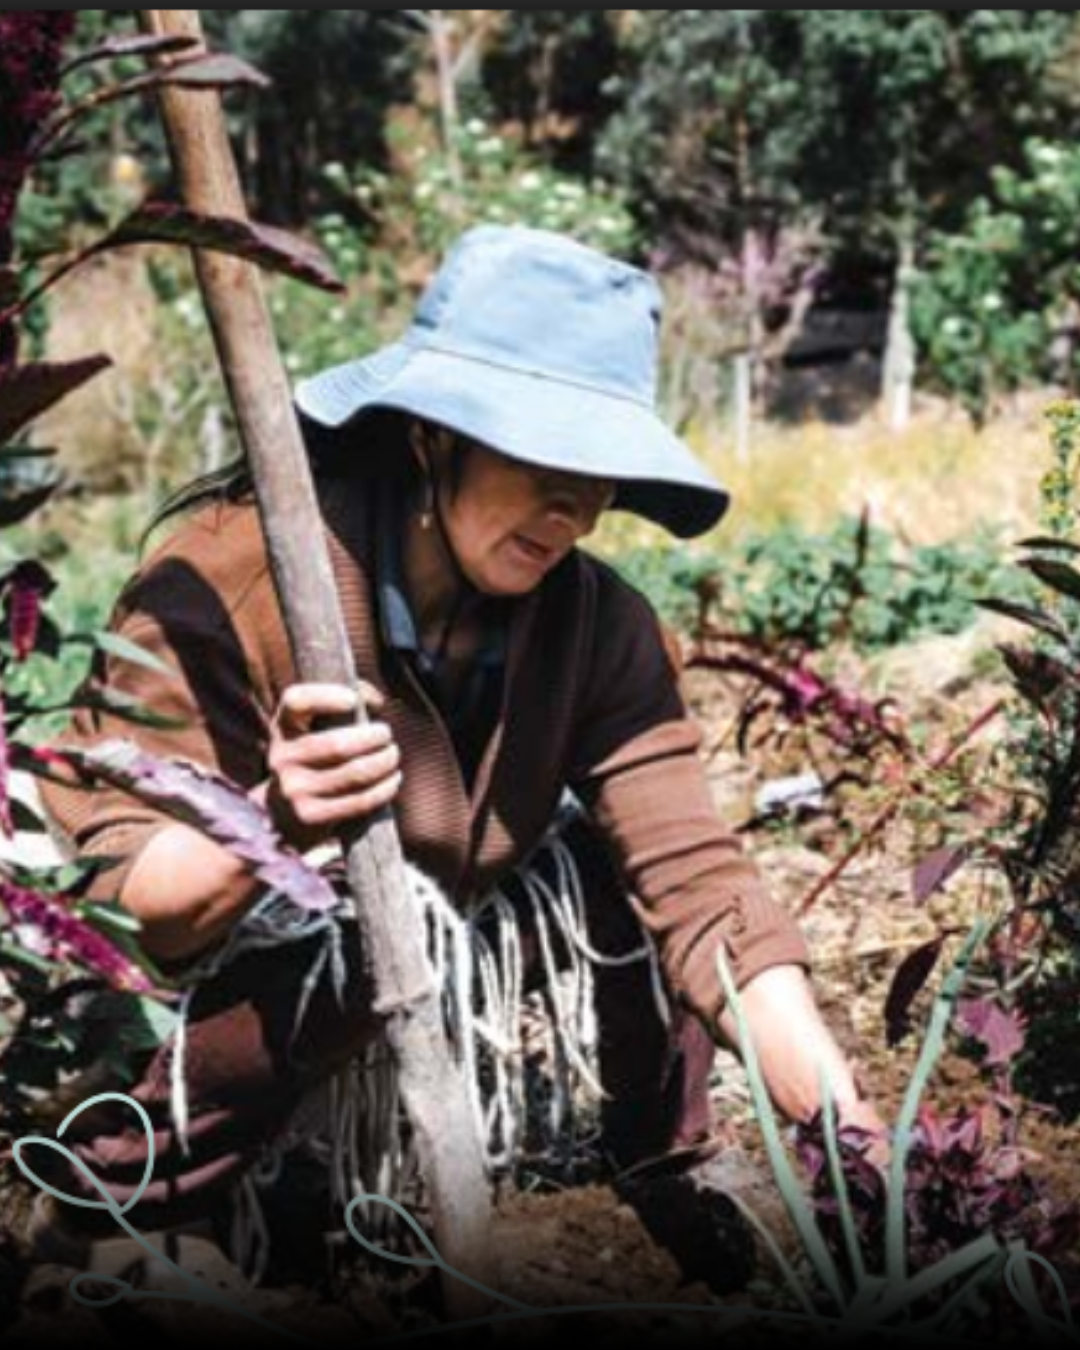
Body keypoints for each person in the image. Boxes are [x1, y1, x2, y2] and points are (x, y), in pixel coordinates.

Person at [32, 224, 882, 1302]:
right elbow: (134, 906)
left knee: (615, 883)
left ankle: (662, 1166)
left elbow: (702, 887)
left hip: (450, 912)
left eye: (602, 474)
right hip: (196, 970)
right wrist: (269, 824)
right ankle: (122, 1209)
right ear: (434, 438)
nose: (574, 507)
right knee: (328, 923)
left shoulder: (598, 628)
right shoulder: (224, 579)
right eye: (541, 460)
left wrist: (849, 1137)